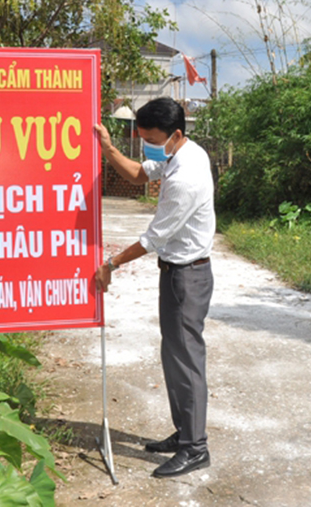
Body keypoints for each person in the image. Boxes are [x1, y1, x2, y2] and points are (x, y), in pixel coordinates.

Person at [94, 97, 216, 479]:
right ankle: (185, 434)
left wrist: (110, 264)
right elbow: (137, 175)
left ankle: (195, 449)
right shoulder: (181, 152)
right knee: (174, 357)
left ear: (175, 134)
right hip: (177, 274)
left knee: (186, 363)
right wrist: (108, 147)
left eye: (150, 138)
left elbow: (152, 239)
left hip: (187, 278)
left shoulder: (186, 177)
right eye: (141, 137)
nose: (145, 144)